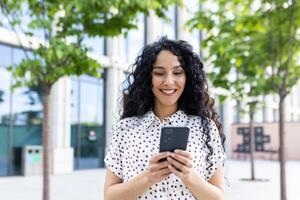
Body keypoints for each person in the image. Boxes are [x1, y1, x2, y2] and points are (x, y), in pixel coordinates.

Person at [104, 37, 226, 200]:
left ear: (187, 77)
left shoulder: (205, 128)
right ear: (148, 79)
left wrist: (189, 176)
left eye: (177, 72)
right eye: (159, 73)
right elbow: (109, 196)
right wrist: (148, 177)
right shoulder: (125, 128)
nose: (169, 82)